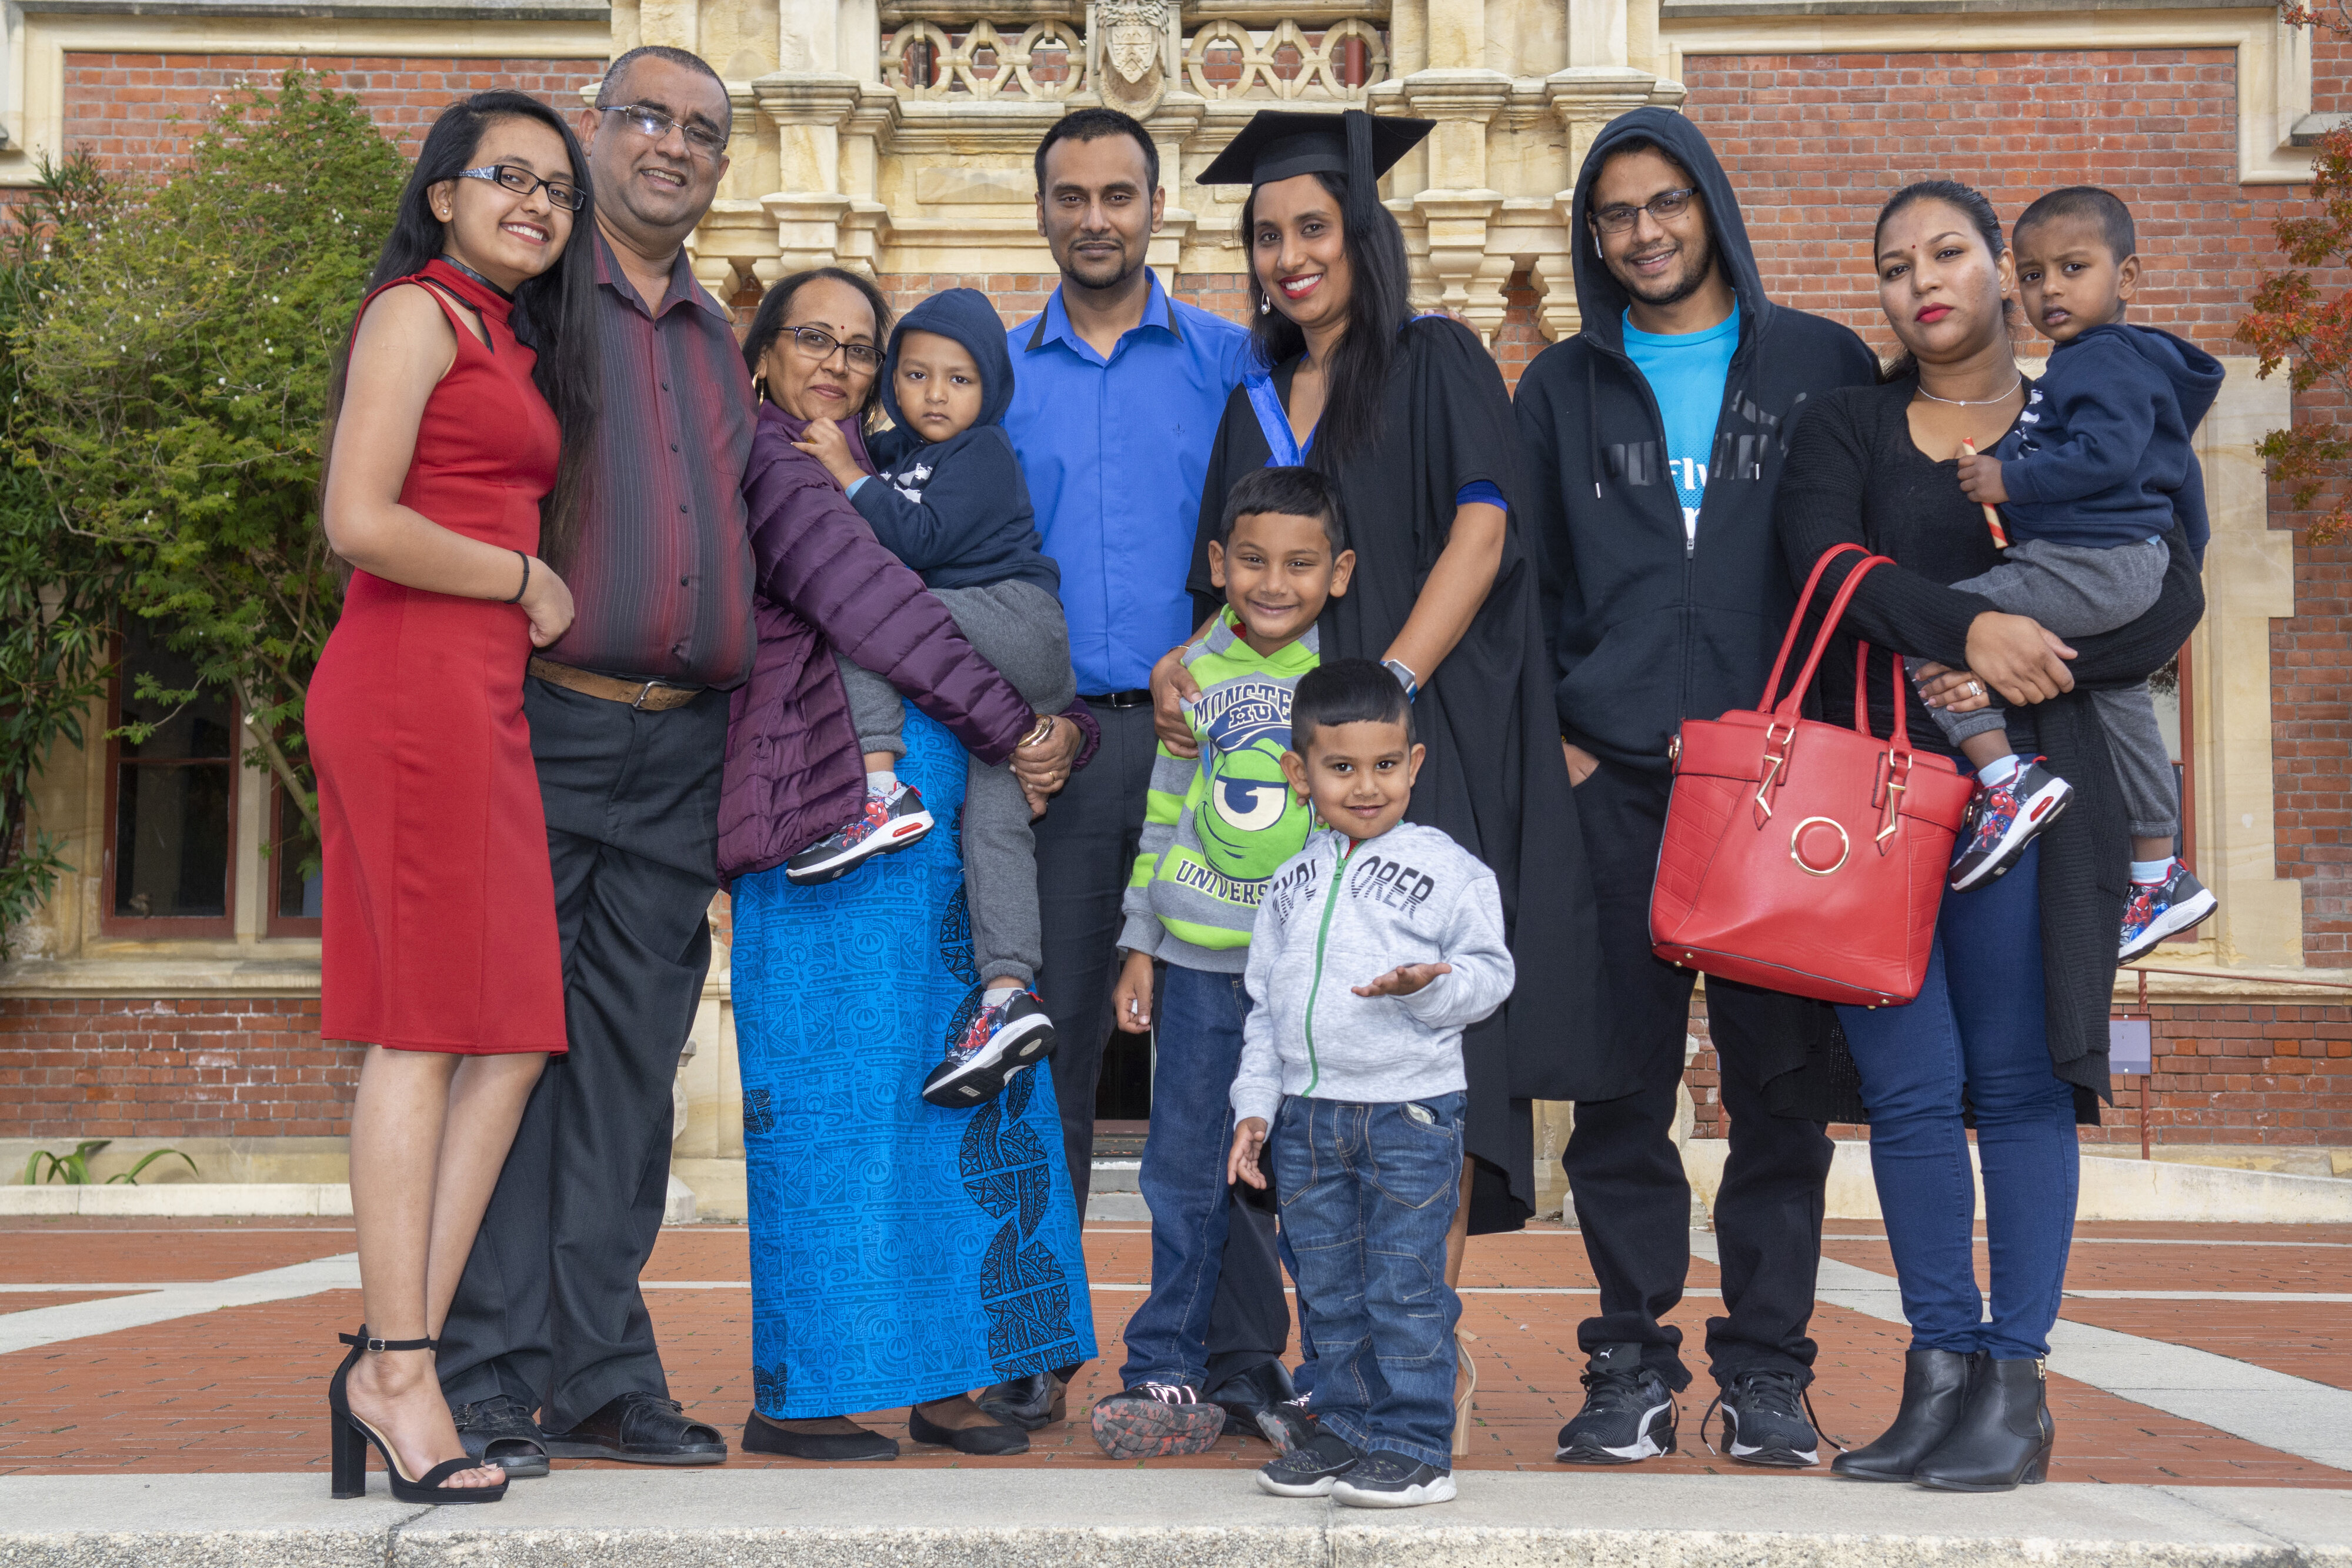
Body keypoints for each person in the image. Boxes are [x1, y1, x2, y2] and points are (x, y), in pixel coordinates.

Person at [1168, 105, 1604, 1404]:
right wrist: (1188, 656)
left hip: (1410, 754)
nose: (1288, 254)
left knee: (1415, 1052)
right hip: (1279, 778)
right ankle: (1338, 1362)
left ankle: (1418, 1363)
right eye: (1265, 235)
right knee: (1308, 1058)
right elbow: (1236, 572)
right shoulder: (1254, 397)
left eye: (1311, 228)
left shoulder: (1434, 358)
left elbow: (1482, 530)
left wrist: (1389, 691)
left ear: (1362, 234)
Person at [1775, 178, 2204, 1492]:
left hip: (2039, 808)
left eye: (1947, 251)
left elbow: (2168, 596)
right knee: (1908, 1096)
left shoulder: (2085, 404)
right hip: (1885, 807)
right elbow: (1824, 569)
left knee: (2016, 1089)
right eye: (1894, 263)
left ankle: (2013, 1389)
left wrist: (2037, 658)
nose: (1923, 280)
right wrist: (1970, 630)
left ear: (2002, 274)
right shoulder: (1844, 423)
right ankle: (1935, 1373)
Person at [1513, 106, 1879, 1468]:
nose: (1643, 232)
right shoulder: (1558, 385)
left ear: (1709, 205)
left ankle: (1768, 1371)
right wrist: (1561, 730)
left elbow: (1863, 557)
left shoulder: (1819, 363)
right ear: (1589, 236)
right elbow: (1526, 584)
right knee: (1616, 1088)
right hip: (1616, 782)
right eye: (1614, 214)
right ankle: (1627, 1366)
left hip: (1781, 790)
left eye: (1664, 203)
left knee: (1778, 1092)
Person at [722, 266, 1099, 1462]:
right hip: (832, 816)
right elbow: (878, 613)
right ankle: (803, 1393)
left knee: (950, 1104)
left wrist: (1026, 734)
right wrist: (1028, 730)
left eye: (857, 345)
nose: (836, 361)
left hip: (932, 825)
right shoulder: (780, 465)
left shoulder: (890, 461)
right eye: (811, 339)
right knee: (832, 1112)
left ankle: (945, 1377)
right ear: (764, 354)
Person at [982, 106, 1293, 1439]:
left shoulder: (1231, 365)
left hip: (1214, 753)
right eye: (1070, 195)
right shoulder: (993, 374)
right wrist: (1005, 722)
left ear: (1154, 206)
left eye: (1118, 193)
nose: (1094, 216)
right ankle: (1032, 1337)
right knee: (1039, 1046)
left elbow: (1289, 546)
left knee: (1225, 1056)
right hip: (1054, 754)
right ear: (1041, 208)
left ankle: (1233, 1352)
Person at [311, 89, 597, 1503]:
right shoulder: (415, 316)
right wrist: (521, 576)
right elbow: (356, 517)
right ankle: (403, 1369)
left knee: (510, 1031)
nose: (536, 200)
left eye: (556, 186)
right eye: (505, 175)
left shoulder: (509, 337)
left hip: (474, 696)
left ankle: (392, 1360)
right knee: (426, 1032)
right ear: (441, 192)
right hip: (412, 684)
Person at [1093, 466, 1351, 1457]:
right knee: (1185, 1167)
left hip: (1305, 974)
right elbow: (1164, 811)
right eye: (1251, 559)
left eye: (1299, 563)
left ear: (1340, 573)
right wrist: (1139, 942)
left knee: (1314, 1174)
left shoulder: (1346, 678)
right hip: (1199, 964)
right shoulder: (1190, 672)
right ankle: (1165, 1364)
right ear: (1218, 564)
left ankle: (1335, 1378)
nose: (1273, 582)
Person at [1227, 658, 1514, 1509]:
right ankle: (1347, 1426)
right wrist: (1254, 1110)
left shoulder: (1447, 868)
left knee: (1402, 1281)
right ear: (1299, 772)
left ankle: (1416, 1443)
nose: (1366, 785)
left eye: (1386, 765)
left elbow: (1489, 975)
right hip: (1309, 1118)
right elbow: (1263, 1010)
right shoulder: (1288, 883)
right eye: (1341, 767)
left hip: (1409, 1112)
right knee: (1326, 1285)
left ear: (1414, 764)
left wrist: (1430, 986)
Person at [789, 286, 1078, 1106]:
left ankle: (881, 789)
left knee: (867, 606)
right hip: (991, 662)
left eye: (958, 379)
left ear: (990, 390)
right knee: (996, 820)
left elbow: (911, 541)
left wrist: (846, 471)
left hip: (1020, 623)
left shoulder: (980, 453)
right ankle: (1007, 994)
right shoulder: (899, 453)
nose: (935, 395)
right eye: (915, 375)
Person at [1931, 186, 2219, 962]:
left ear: (2127, 276)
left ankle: (2004, 782)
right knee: (2123, 705)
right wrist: (2168, 566)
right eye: (2030, 274)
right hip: (2124, 568)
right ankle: (2159, 873)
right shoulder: (2120, 362)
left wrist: (2007, 481)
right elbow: (2181, 487)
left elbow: (2110, 457)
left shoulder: (2102, 360)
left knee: (1936, 621)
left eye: (2072, 267)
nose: (2049, 289)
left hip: (2087, 564)